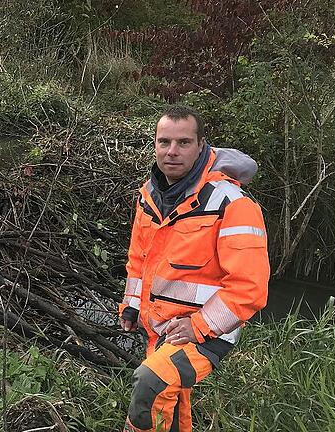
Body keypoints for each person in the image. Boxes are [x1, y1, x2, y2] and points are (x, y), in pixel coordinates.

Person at [120, 105, 269, 431]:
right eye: (164, 142)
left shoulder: (231, 203)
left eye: (183, 142)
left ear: (201, 145)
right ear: (155, 145)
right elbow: (139, 260)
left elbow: (250, 287)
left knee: (150, 385)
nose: (171, 151)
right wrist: (132, 306)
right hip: (162, 328)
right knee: (171, 405)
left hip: (209, 333)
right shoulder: (149, 197)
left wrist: (199, 326)